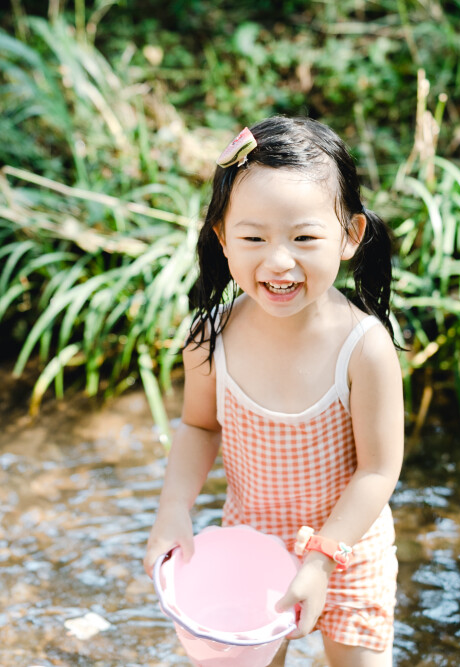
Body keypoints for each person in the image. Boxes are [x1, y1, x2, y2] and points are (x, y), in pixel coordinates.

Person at [143, 116, 403, 667]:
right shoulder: (210, 337)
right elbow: (199, 426)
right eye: (254, 237)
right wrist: (173, 508)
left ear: (350, 235)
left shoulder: (364, 348)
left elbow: (378, 470)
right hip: (250, 545)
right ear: (223, 238)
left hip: (348, 549)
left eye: (304, 237)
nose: (278, 261)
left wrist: (322, 558)